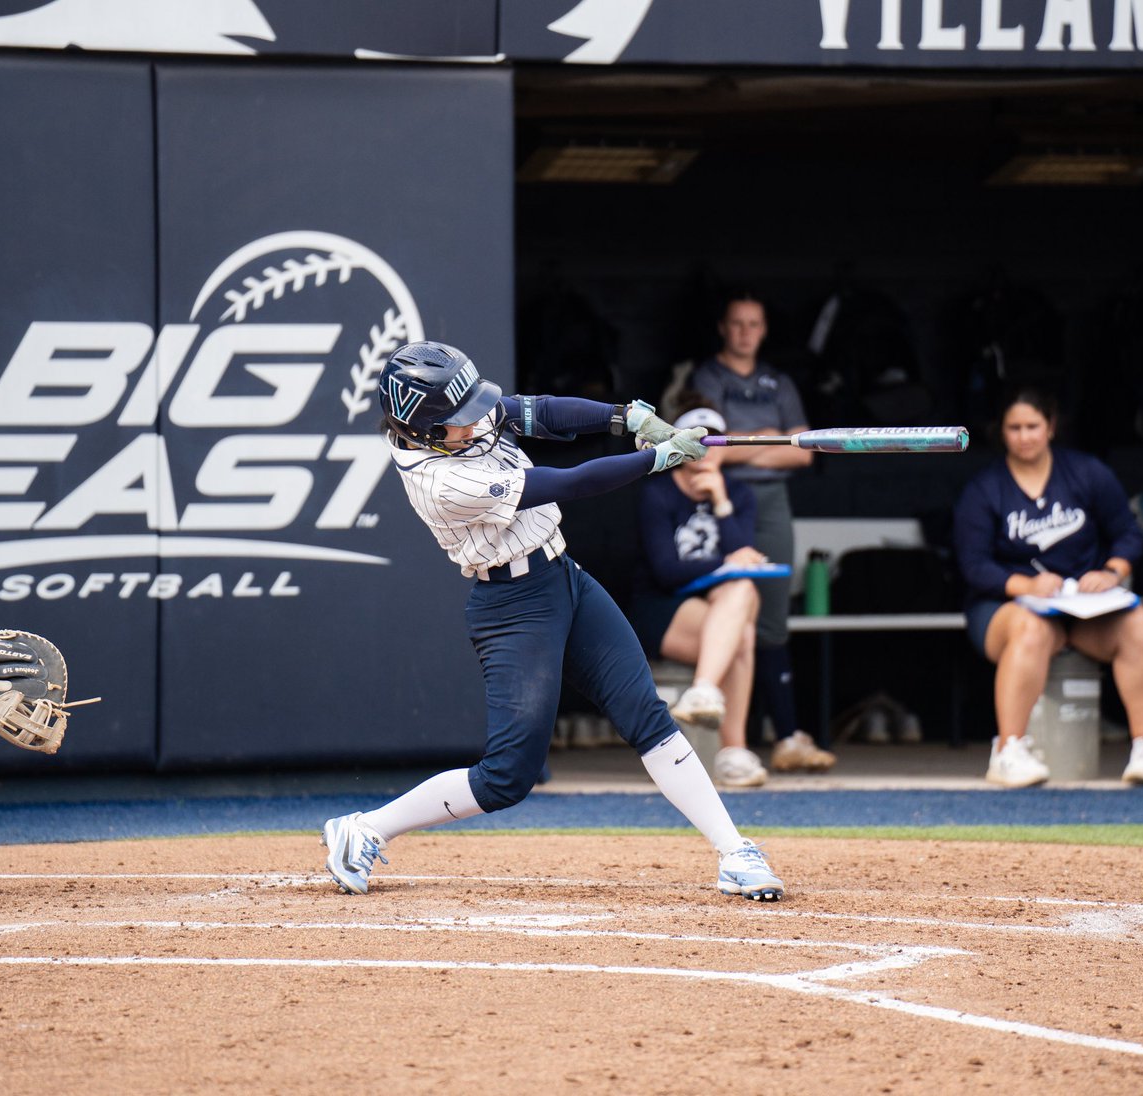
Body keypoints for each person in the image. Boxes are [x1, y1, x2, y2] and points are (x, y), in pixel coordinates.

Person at [321, 341, 786, 901]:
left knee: (645, 713)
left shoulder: (454, 416)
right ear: (421, 430)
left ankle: (734, 851)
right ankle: (365, 828)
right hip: (512, 607)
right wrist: (654, 459)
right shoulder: (443, 484)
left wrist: (625, 417)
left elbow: (536, 411)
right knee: (507, 776)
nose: (478, 422)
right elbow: (569, 483)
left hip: (565, 577)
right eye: (459, 421)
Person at [953, 386, 1143, 788]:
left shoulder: (1086, 472)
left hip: (1083, 605)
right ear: (1002, 432)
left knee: (1137, 621)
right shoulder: (985, 488)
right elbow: (974, 565)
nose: (1024, 436)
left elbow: (1127, 534)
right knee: (1032, 628)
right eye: (1014, 427)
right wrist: (1028, 585)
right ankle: (1009, 751)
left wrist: (1112, 571)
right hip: (1007, 606)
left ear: (1050, 426)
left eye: (1033, 426)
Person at [690, 291, 835, 773]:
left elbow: (803, 453)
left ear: (765, 329)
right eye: (737, 323)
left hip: (770, 500)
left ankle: (787, 734)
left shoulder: (779, 381)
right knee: (736, 608)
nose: (745, 332)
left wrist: (739, 447)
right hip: (720, 495)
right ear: (722, 328)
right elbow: (710, 451)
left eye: (754, 323)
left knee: (773, 616)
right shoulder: (707, 376)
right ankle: (740, 742)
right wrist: (763, 445)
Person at [631, 397, 769, 788]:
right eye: (700, 441)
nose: (708, 450)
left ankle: (704, 691)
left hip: (716, 608)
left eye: (717, 442)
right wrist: (727, 565)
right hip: (664, 607)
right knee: (740, 628)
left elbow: (743, 555)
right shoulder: (658, 494)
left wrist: (722, 503)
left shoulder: (738, 495)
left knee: (741, 600)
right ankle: (733, 752)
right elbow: (667, 571)